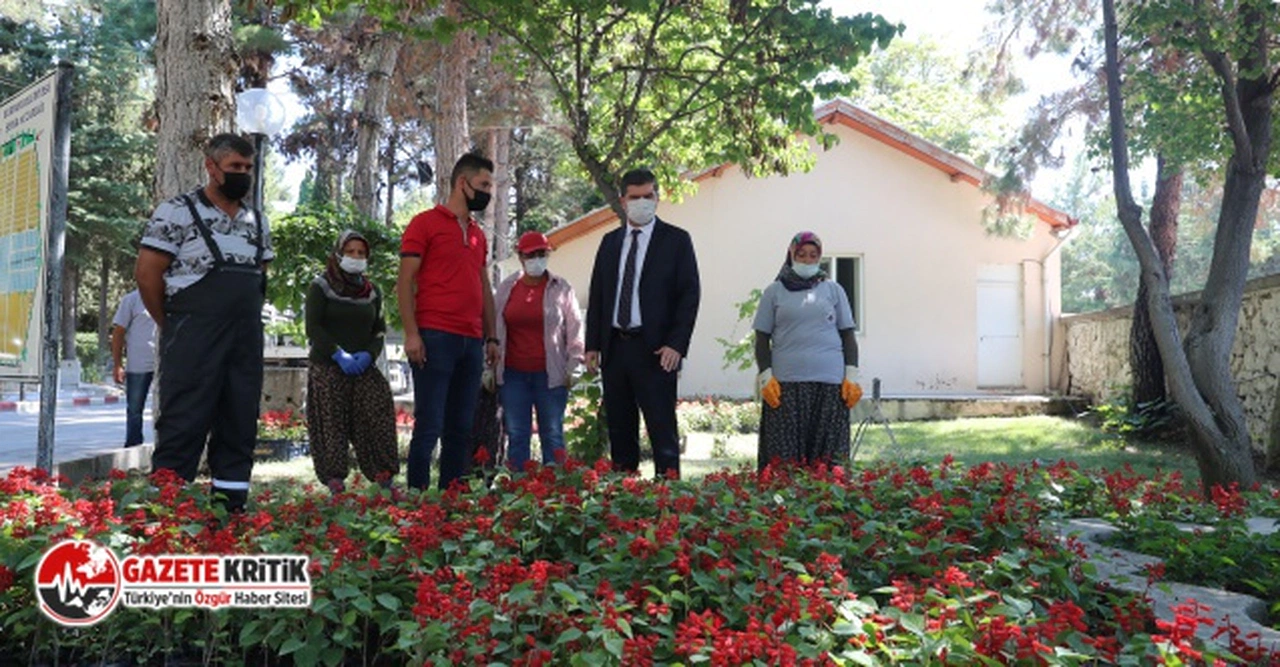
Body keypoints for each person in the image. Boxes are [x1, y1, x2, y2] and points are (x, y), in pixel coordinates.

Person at [134, 133, 272, 513]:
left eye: (248, 168)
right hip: (192, 334)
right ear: (211, 167)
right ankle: (167, 513)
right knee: (184, 421)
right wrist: (174, 324)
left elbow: (259, 277)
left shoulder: (257, 220)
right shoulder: (175, 211)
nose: (243, 174)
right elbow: (147, 275)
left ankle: (230, 512)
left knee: (239, 422)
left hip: (244, 339)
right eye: (234, 167)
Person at [584, 168, 700, 478]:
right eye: (634, 197)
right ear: (623, 201)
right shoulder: (610, 243)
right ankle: (625, 494)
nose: (642, 202)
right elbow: (598, 294)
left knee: (662, 430)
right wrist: (592, 344)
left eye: (648, 196)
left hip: (657, 351)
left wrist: (677, 344)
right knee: (621, 431)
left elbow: (689, 297)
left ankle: (669, 499)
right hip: (615, 349)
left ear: (657, 198)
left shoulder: (676, 241)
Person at [397, 153, 499, 491]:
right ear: (462, 183)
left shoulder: (478, 235)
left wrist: (492, 337)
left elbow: (483, 285)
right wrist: (412, 335)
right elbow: (405, 281)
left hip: (471, 341)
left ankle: (451, 504)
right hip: (435, 336)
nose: (488, 192)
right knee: (429, 425)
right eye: (483, 185)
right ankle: (417, 499)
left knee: (460, 427)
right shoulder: (424, 223)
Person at [752, 232, 862, 471]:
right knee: (784, 460)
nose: (807, 260)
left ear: (820, 258)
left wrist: (851, 377)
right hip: (785, 387)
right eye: (801, 254)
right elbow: (761, 338)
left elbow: (848, 335)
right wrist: (766, 376)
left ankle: (829, 505)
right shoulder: (774, 292)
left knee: (828, 461)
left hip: (830, 386)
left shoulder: (834, 291)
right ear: (791, 254)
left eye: (813, 255)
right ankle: (783, 506)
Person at [305, 230, 400, 492]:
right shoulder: (321, 286)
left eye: (361, 253)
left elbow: (379, 329)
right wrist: (337, 353)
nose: (356, 257)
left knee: (377, 410)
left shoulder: (372, 292)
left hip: (363, 366)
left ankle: (384, 477)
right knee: (331, 421)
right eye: (350, 252)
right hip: (329, 364)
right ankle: (335, 481)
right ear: (338, 254)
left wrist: (369, 354)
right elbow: (313, 327)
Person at [493, 231, 584, 471]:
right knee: (517, 434)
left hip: (551, 377)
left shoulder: (561, 288)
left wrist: (575, 364)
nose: (537, 259)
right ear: (520, 256)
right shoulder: (506, 288)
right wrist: (488, 366)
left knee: (553, 435)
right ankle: (518, 493)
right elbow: (493, 330)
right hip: (513, 376)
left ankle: (556, 493)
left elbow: (575, 330)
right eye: (531, 254)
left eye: (542, 253)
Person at [110, 289, 158, 448]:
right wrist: (117, 364)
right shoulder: (132, 299)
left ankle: (166, 448)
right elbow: (118, 333)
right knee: (135, 409)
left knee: (169, 408)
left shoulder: (170, 296)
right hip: (139, 364)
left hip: (166, 363)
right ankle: (133, 446)